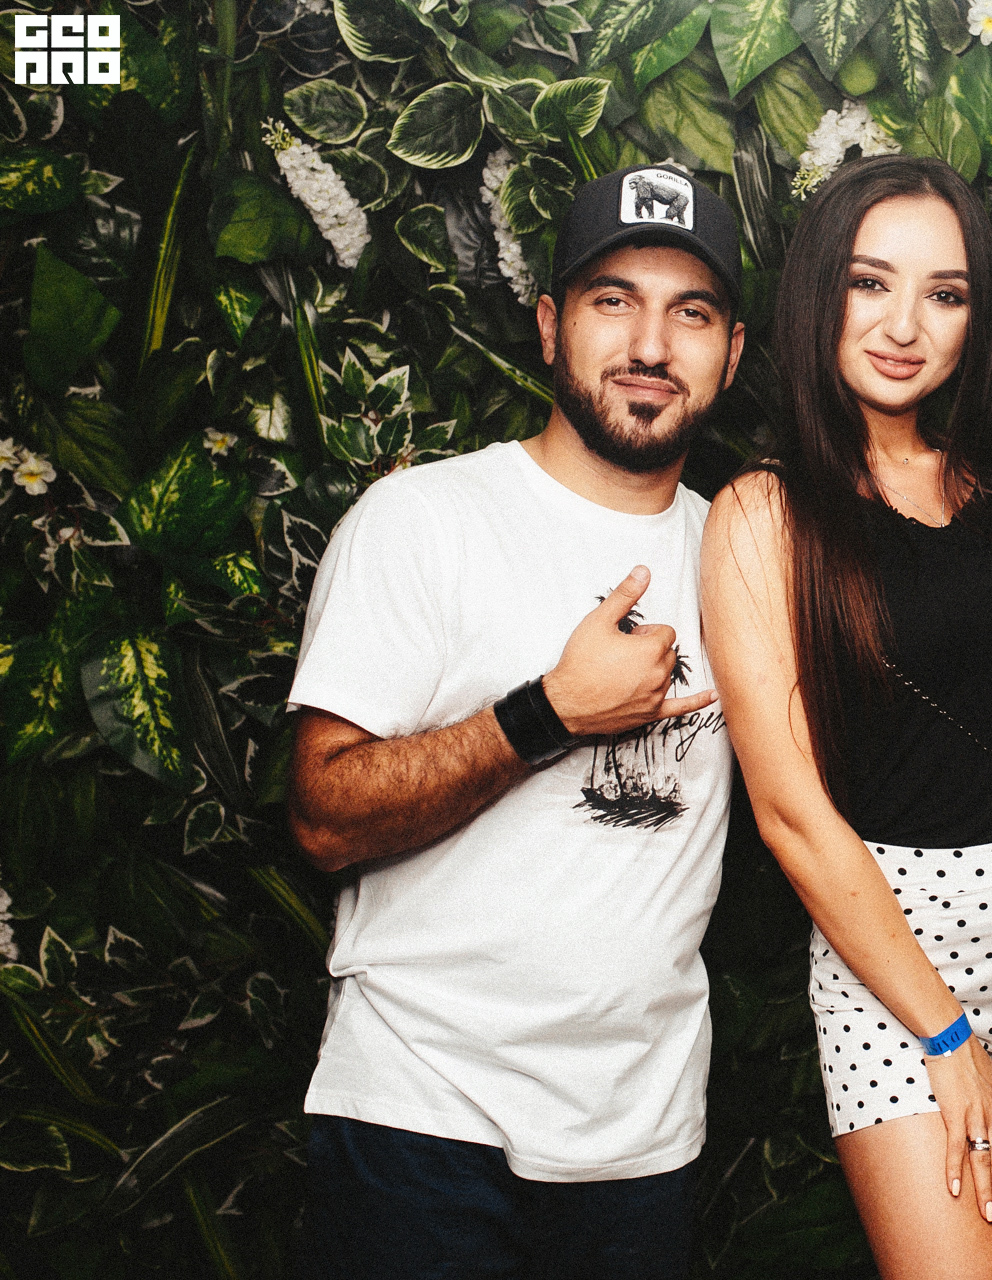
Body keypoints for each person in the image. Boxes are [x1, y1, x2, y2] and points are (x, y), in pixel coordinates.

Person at [285, 164, 747, 1277]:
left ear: (732, 354)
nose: (650, 344)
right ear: (549, 325)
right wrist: (546, 714)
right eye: (612, 300)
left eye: (690, 313)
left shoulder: (745, 556)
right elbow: (322, 815)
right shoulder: (424, 520)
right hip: (421, 1113)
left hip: (640, 1133)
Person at [700, 155, 992, 1280]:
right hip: (899, 974)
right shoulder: (765, 511)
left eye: (945, 294)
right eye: (870, 282)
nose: (905, 325)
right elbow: (791, 814)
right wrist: (946, 1035)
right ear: (818, 293)